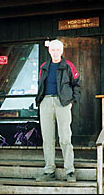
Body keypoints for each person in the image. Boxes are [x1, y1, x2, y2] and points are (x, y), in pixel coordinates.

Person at [35, 39, 81, 183]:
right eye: (53, 50)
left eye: (58, 50)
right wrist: (41, 100)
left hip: (63, 103)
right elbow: (40, 84)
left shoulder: (68, 66)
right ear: (49, 51)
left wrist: (72, 101)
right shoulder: (44, 66)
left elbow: (77, 84)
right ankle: (49, 171)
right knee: (47, 139)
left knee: (65, 138)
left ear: (62, 51)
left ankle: (70, 171)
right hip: (46, 102)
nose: (55, 52)